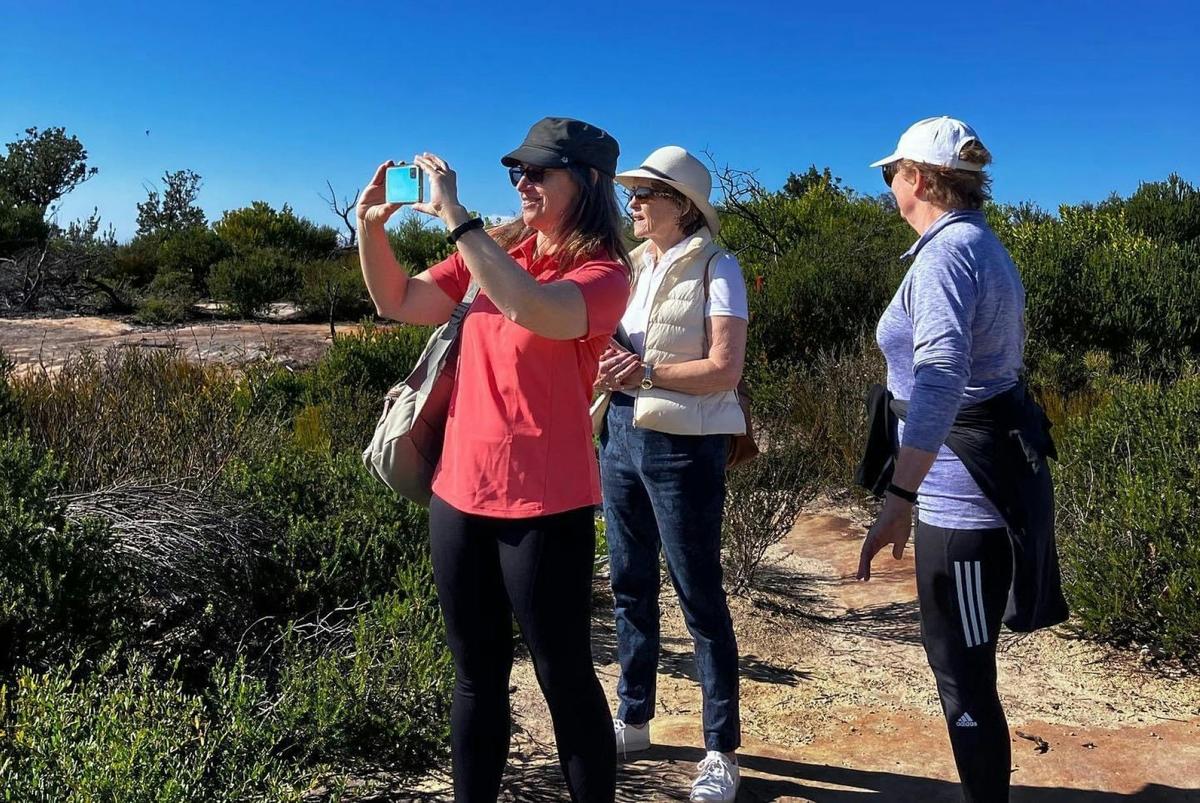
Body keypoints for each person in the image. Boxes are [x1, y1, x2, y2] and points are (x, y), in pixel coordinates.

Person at [356, 117, 632, 803]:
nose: (522, 181)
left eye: (540, 170)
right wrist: (371, 228)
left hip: (546, 503)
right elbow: (399, 300)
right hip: (459, 494)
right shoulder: (496, 248)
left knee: (562, 675)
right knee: (475, 675)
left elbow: (536, 307)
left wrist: (456, 216)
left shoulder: (603, 273)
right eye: (517, 170)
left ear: (589, 181)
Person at [856, 116, 1068, 803]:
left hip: (961, 503)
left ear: (918, 178)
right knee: (962, 669)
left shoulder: (948, 256)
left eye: (894, 174)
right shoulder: (976, 245)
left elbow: (943, 373)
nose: (890, 186)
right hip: (969, 488)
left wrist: (901, 495)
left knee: (963, 676)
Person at [593, 145, 748, 803]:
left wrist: (646, 372)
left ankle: (721, 750)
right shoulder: (632, 265)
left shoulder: (719, 265)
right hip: (621, 433)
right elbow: (612, 342)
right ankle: (634, 717)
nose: (633, 203)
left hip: (685, 445)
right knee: (628, 581)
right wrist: (609, 362)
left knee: (698, 594)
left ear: (681, 204)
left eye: (646, 193)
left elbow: (724, 368)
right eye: (631, 193)